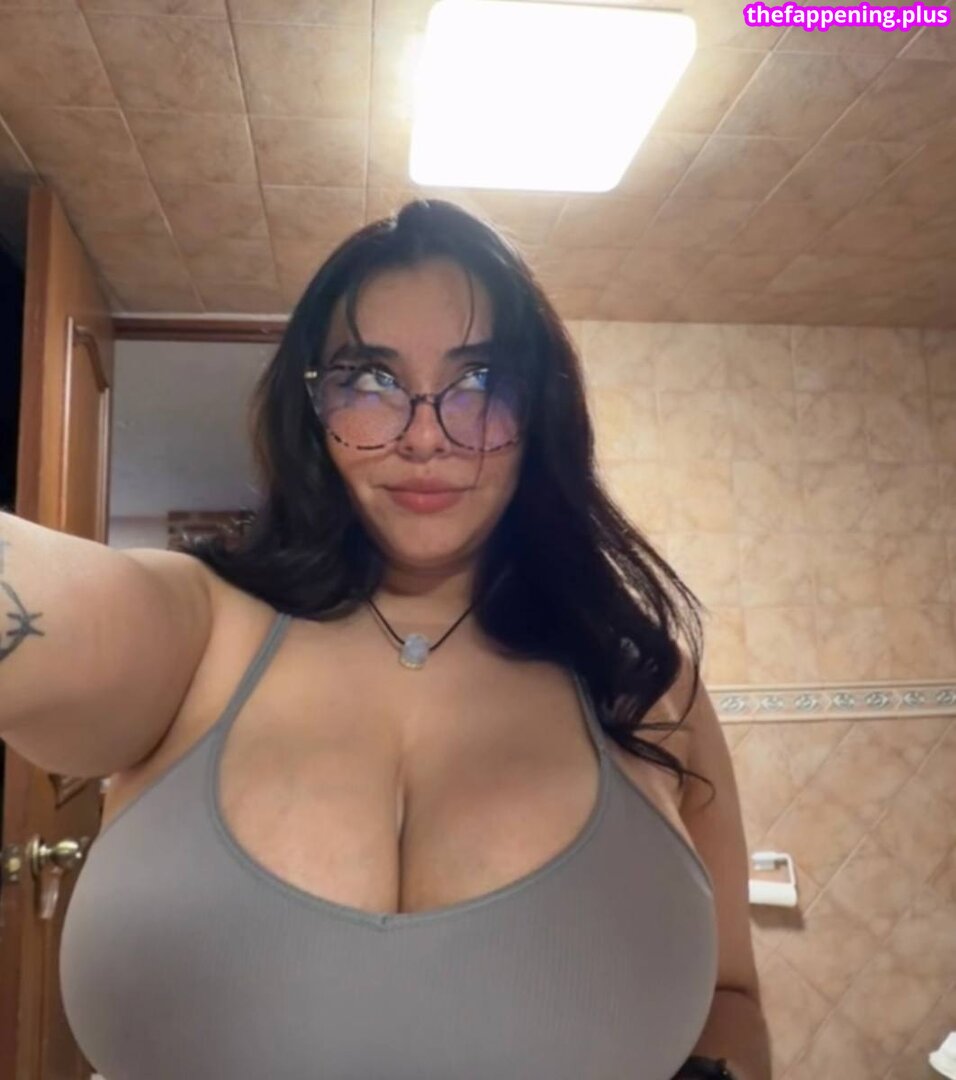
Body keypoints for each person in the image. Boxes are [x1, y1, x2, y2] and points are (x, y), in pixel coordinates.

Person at [5, 199, 764, 1078]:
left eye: (481, 382)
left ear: (541, 409)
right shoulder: (194, 626)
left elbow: (731, 998)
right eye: (369, 381)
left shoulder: (647, 682)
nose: (425, 436)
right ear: (311, 408)